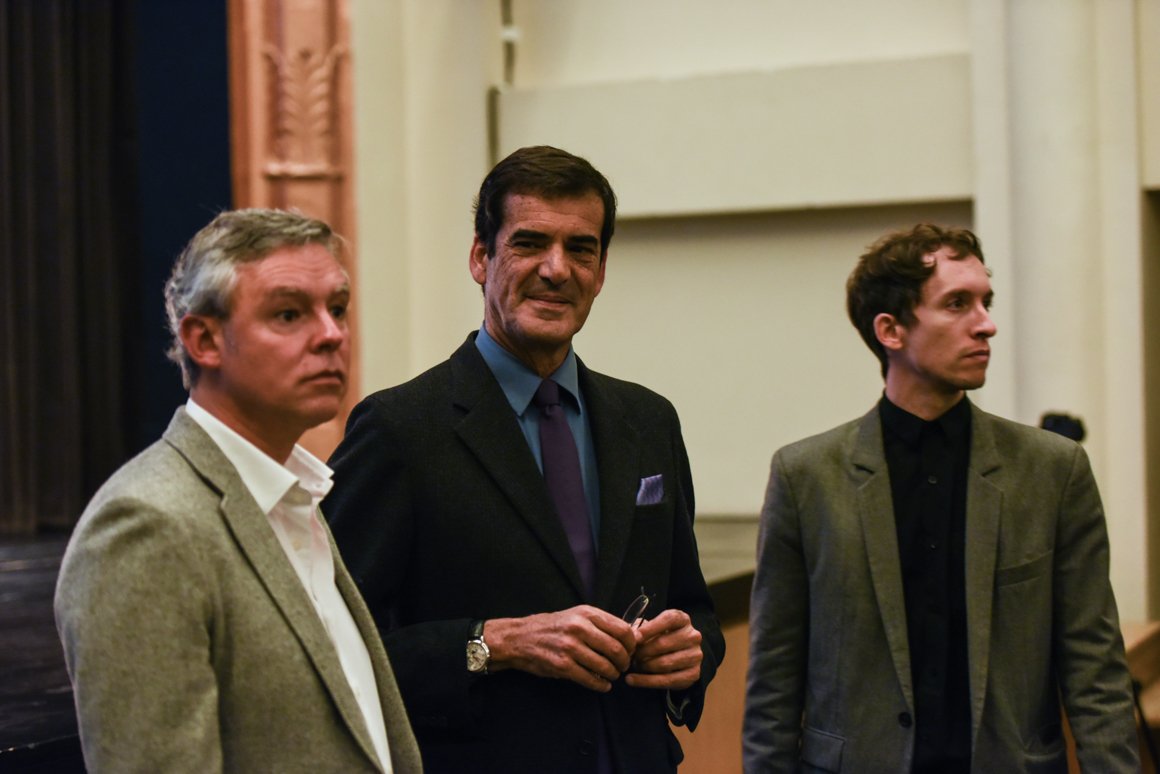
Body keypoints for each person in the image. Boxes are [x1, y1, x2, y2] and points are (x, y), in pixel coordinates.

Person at [324, 145, 725, 773]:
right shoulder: (399, 429)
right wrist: (493, 642)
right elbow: (330, 643)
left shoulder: (649, 421)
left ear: (601, 270)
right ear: (480, 258)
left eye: (580, 249)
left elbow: (691, 604)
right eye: (530, 243)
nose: (556, 269)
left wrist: (690, 653)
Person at [743, 223, 1139, 772]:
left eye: (985, 302)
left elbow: (1096, 670)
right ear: (891, 330)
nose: (986, 324)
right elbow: (774, 680)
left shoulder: (1053, 471)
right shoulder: (806, 476)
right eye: (957, 304)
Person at [55, 209, 422, 773]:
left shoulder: (298, 498)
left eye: (337, 308)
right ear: (204, 340)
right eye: (289, 313)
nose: (331, 334)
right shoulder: (146, 525)